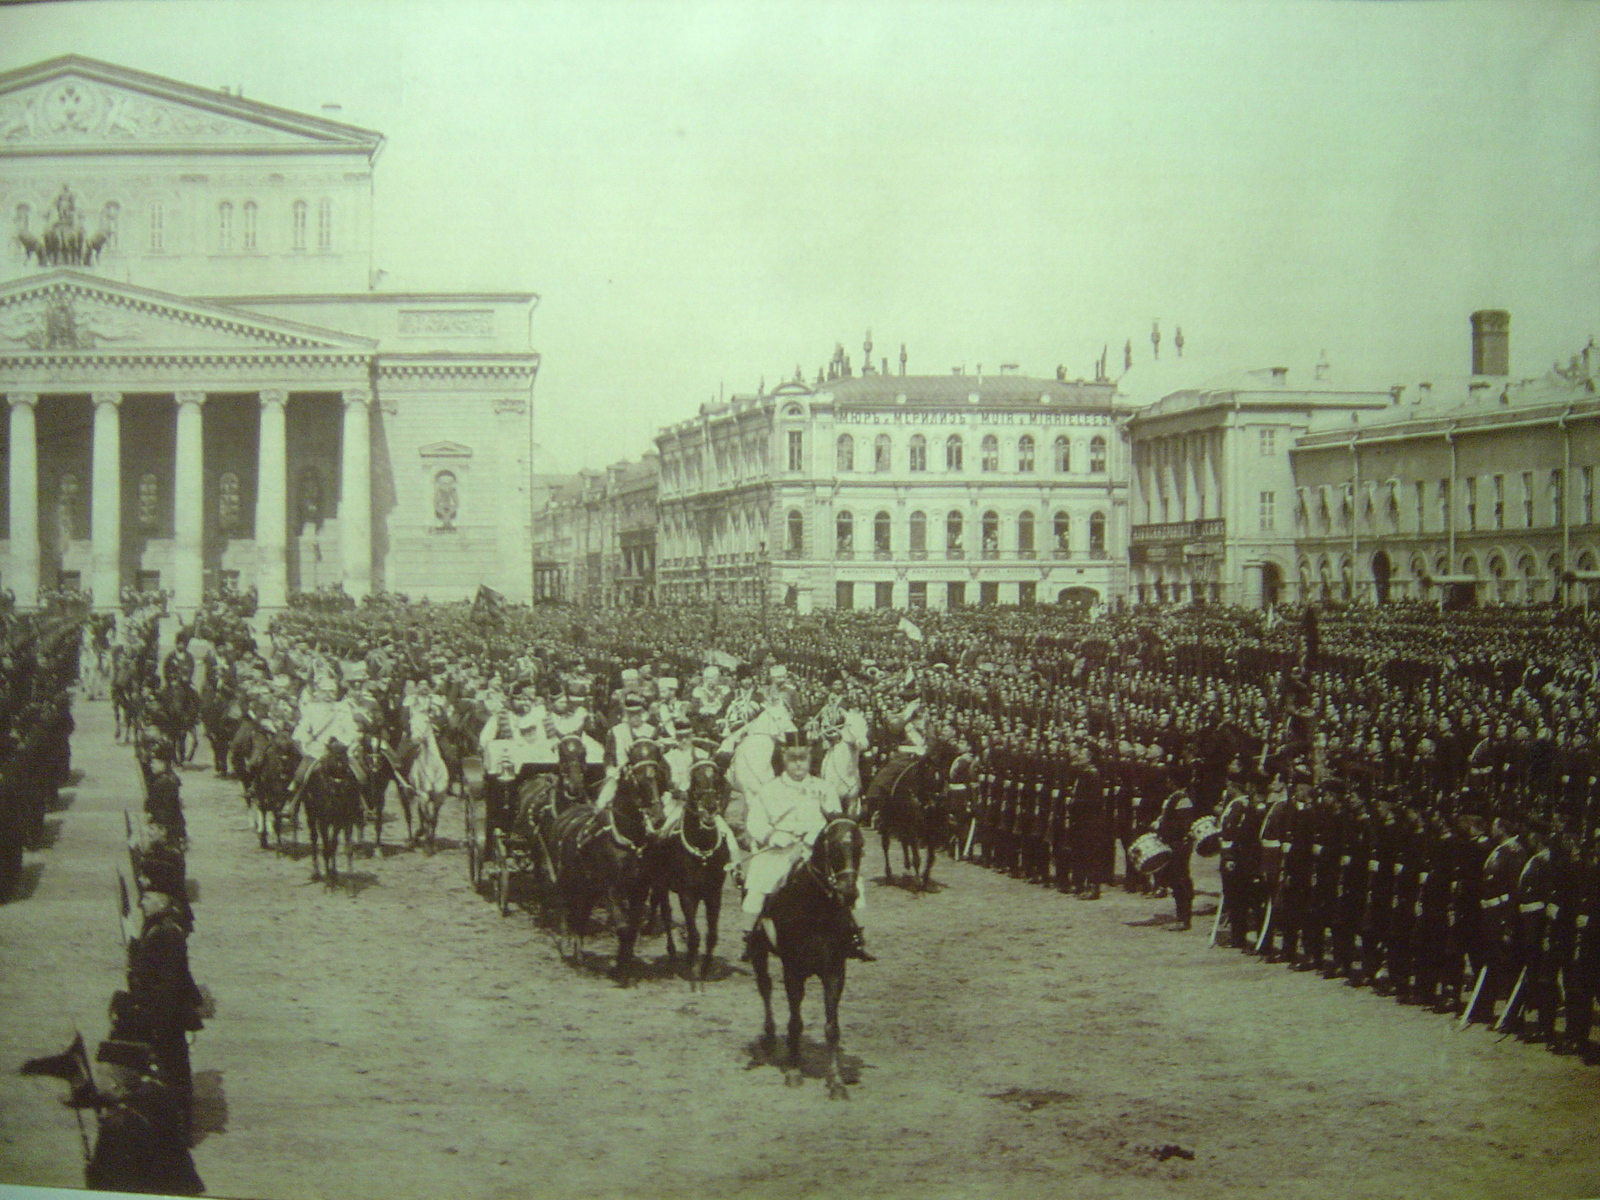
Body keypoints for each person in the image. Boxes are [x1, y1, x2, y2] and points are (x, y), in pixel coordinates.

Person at [740, 731, 874, 962]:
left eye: (803, 759)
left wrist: (820, 835)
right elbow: (755, 821)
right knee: (758, 884)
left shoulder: (825, 788)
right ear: (784, 760)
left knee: (849, 881)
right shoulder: (770, 789)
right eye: (793, 759)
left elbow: (835, 821)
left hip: (815, 847)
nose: (799, 764)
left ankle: (855, 935)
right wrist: (771, 835)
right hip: (780, 849)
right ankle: (751, 937)